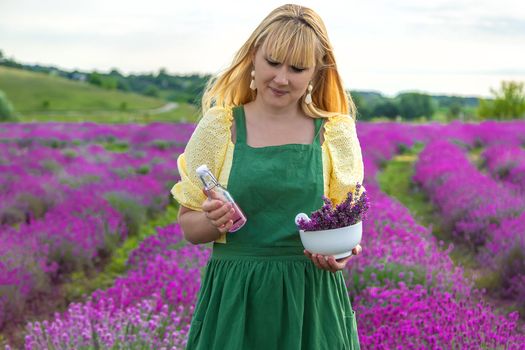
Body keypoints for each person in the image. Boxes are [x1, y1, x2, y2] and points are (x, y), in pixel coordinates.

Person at [171, 4, 364, 349]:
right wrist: (215, 221)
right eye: (273, 62)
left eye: (297, 68)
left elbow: (345, 224)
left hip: (312, 301)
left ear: (317, 73)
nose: (281, 78)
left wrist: (343, 254)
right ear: (254, 57)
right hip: (236, 298)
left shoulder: (335, 134)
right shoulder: (220, 128)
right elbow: (189, 227)